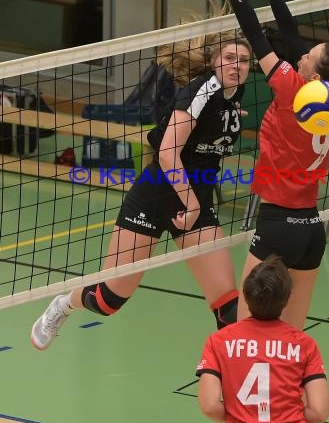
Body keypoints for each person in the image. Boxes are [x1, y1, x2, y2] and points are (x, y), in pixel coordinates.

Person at [31, 28, 252, 350]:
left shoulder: (232, 94)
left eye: (244, 60)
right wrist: (190, 206)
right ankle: (63, 305)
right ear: (213, 61)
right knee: (108, 299)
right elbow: (166, 153)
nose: (237, 65)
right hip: (156, 195)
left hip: (196, 199)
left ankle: (230, 375)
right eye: (230, 58)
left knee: (229, 307)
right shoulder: (200, 91)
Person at [189, 0, 329, 331]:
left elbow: (255, 32)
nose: (300, 53)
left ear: (313, 75)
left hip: (277, 225)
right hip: (311, 230)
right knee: (292, 337)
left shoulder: (290, 88)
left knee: (241, 330)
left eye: (307, 57)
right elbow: (291, 32)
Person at [196, 254, 329, 423]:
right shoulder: (304, 344)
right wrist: (283, 418)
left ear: (246, 296)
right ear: (287, 299)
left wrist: (245, 418)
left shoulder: (218, 341)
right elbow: (319, 411)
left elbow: (210, 405)